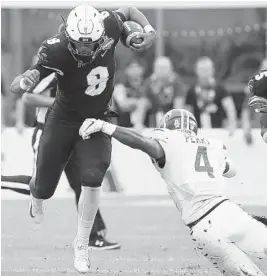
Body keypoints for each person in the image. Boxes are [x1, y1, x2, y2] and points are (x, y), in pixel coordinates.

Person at [10, 4, 156, 273]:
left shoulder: (109, 23)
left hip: (98, 119)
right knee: (44, 189)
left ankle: (82, 244)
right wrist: (23, 81)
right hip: (62, 120)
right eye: (81, 45)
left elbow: (130, 9)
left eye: (92, 45)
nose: (87, 50)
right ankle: (37, 194)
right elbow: (17, 87)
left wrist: (147, 30)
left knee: (92, 177)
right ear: (69, 35)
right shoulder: (55, 48)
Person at [79, 109, 267, 276]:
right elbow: (231, 171)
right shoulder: (212, 144)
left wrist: (106, 127)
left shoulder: (169, 140)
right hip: (232, 214)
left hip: (205, 227)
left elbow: (143, 143)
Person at [2, 53, 120, 250]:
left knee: (82, 183)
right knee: (39, 186)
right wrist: (63, 105)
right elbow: (28, 97)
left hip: (69, 134)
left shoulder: (79, 69)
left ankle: (94, 236)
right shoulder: (55, 69)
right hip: (47, 132)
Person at [185, 56, 237, 134]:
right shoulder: (192, 90)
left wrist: (232, 125)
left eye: (207, 69)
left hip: (218, 132)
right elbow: (187, 112)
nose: (204, 73)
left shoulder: (220, 88)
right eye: (202, 69)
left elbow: (230, 108)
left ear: (212, 70)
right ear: (196, 71)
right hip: (198, 133)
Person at [145, 56, 186, 127]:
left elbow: (178, 106)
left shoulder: (177, 82)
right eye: (159, 68)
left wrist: (175, 124)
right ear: (154, 69)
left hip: (172, 119)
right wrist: (138, 123)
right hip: (153, 120)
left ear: (171, 68)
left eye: (164, 68)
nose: (162, 70)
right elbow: (143, 103)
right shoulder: (149, 82)